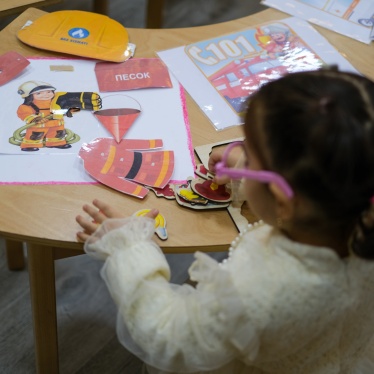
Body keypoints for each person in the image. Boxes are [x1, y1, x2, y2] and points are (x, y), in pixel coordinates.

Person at [75, 68, 374, 374]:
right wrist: (245, 165)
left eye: (250, 154)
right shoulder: (351, 204)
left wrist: (129, 248)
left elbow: (169, 336)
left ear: (282, 201)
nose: (241, 154)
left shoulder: (260, 291)